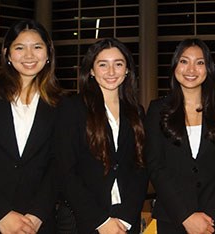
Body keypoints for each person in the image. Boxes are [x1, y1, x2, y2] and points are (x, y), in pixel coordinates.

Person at [144, 38, 215, 234]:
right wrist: (185, 216)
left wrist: (211, 215)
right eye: (184, 61)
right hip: (173, 219)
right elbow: (155, 166)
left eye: (199, 62)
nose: (191, 69)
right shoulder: (158, 110)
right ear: (175, 66)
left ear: (208, 68)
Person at [55, 38, 148, 234]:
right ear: (91, 70)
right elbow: (65, 171)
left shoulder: (136, 112)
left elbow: (141, 167)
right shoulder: (72, 108)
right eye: (103, 64)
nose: (111, 72)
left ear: (127, 70)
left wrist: (126, 218)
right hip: (82, 220)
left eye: (118, 64)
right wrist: (101, 221)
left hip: (125, 222)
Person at [0, 19, 62, 233]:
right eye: (20, 48)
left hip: (37, 223)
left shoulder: (62, 104)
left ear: (48, 54)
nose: (29, 55)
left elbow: (60, 164)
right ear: (7, 54)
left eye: (37, 47)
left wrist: (37, 215)